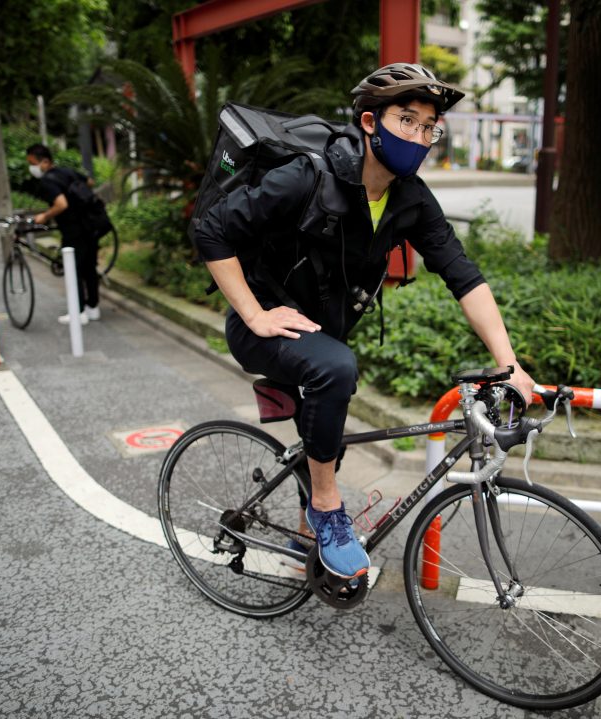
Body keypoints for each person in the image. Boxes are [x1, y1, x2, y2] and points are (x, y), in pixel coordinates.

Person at [193, 63, 536, 582]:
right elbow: (211, 230)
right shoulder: (309, 175)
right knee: (337, 370)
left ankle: (306, 538)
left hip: (321, 335)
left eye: (429, 127)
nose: (420, 136)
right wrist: (254, 313)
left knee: (328, 414)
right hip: (265, 327)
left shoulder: (411, 199)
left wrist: (509, 365)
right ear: (370, 123)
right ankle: (327, 512)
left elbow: (464, 277)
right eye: (407, 120)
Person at [26, 144, 101, 324]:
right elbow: (90, 182)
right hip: (91, 225)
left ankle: (78, 312)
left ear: (45, 162)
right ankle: (93, 308)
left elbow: (61, 204)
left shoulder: (48, 181)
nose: (32, 168)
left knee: (73, 268)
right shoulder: (67, 172)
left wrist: (44, 216)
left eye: (33, 163)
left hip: (73, 229)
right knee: (89, 267)